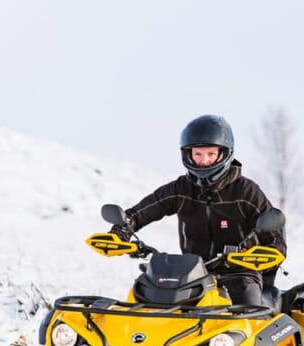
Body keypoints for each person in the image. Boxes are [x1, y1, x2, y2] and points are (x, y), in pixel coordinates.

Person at [111, 114, 286, 306]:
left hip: (238, 274)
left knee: (249, 313)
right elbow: (142, 211)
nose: (204, 161)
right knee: (146, 304)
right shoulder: (181, 189)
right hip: (191, 275)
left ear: (225, 154)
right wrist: (122, 229)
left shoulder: (246, 191)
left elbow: (274, 234)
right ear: (188, 154)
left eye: (211, 154)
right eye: (198, 154)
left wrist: (267, 252)